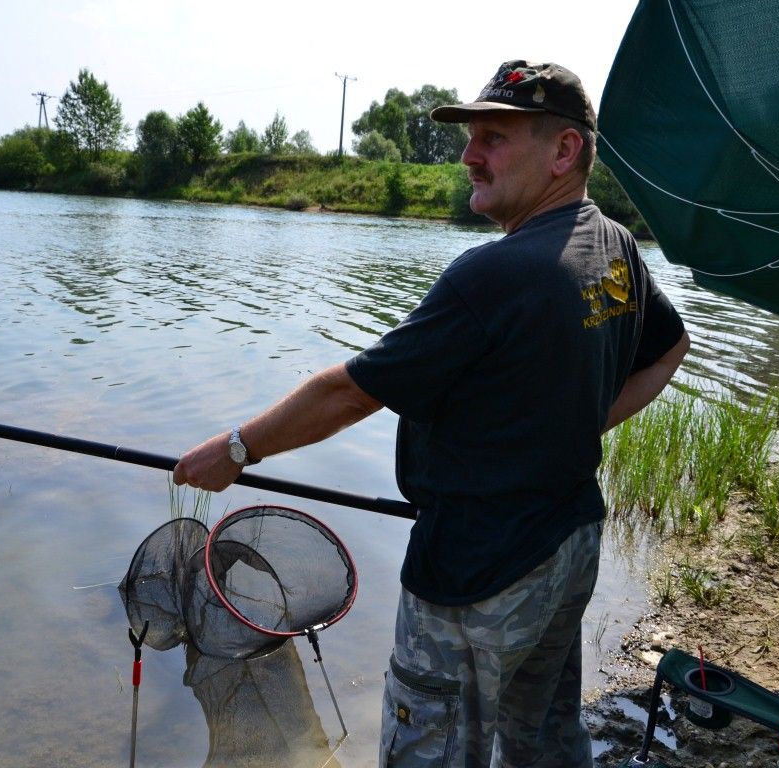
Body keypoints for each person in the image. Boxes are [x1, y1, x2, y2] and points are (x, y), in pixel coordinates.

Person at [174, 59, 690, 768]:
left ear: (565, 151)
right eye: (470, 137)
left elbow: (351, 392)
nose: (470, 155)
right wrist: (573, 425)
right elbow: (671, 348)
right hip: (570, 545)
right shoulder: (613, 244)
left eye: (494, 138)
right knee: (543, 738)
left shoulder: (494, 275)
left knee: (431, 749)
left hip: (475, 571)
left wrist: (236, 449)